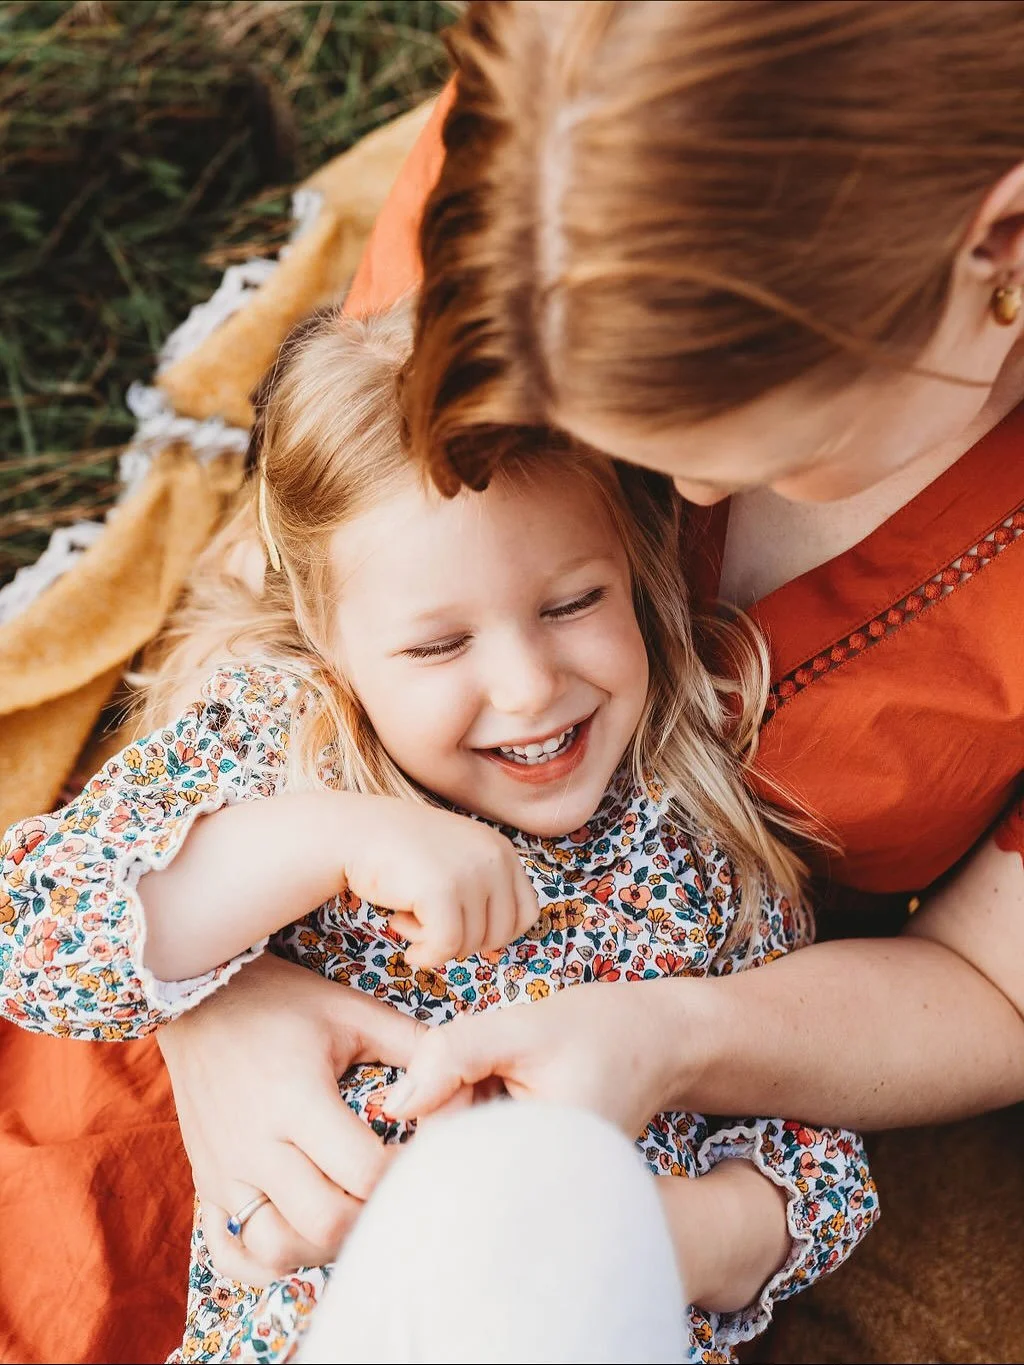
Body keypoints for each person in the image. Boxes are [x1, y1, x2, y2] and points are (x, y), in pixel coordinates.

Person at [153, 5, 1024, 1363]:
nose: (682, 501)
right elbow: (304, 580)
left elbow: (993, 985)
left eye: (759, 440)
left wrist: (682, 1045)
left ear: (1003, 247)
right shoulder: (565, 139)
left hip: (780, 1051)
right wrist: (213, 990)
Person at [0, 304, 877, 1363]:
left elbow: (816, 1161)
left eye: (572, 603)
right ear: (325, 633)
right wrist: (330, 839)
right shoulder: (287, 743)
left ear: (638, 564)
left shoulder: (698, 841)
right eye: (438, 645)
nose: (527, 685)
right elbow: (37, 935)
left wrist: (664, 1231)